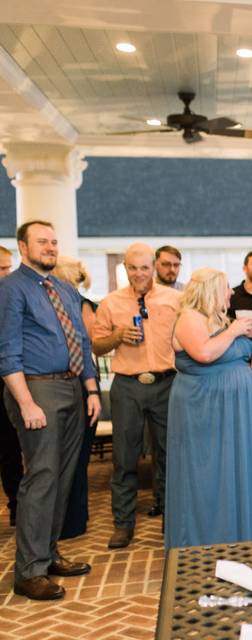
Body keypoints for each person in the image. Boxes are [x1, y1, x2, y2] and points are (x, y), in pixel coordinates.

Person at [0, 221, 101, 601]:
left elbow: (81, 339)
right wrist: (25, 402)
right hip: (37, 389)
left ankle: (48, 553)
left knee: (63, 477)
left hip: (73, 387)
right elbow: (7, 349)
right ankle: (28, 572)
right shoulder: (10, 290)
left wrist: (90, 388)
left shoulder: (64, 288)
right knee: (41, 478)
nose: (50, 247)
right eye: (42, 241)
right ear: (23, 247)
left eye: (54, 241)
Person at [165, 268, 252, 548]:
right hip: (204, 408)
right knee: (205, 475)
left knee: (230, 473)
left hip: (230, 410)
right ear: (210, 290)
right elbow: (205, 353)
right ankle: (203, 543)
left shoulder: (216, 319)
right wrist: (235, 331)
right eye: (225, 287)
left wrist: (245, 337)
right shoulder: (189, 318)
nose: (232, 292)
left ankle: (237, 539)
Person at [92, 243, 180, 549]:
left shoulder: (175, 300)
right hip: (127, 385)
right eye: (133, 267)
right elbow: (96, 346)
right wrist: (117, 336)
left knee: (169, 456)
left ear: (154, 267)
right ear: (125, 269)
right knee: (124, 458)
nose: (139, 273)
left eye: (144, 267)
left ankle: (172, 521)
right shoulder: (110, 303)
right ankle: (123, 524)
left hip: (167, 383)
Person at [51, 256, 99, 540]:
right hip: (67, 383)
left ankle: (74, 520)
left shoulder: (82, 306)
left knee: (77, 458)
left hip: (83, 382)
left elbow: (86, 343)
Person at [0, 244, 23, 528]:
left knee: (15, 446)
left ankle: (20, 504)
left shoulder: (14, 297)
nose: (6, 273)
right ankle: (16, 503)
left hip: (16, 380)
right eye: (1, 269)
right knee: (6, 448)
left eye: (8, 267)